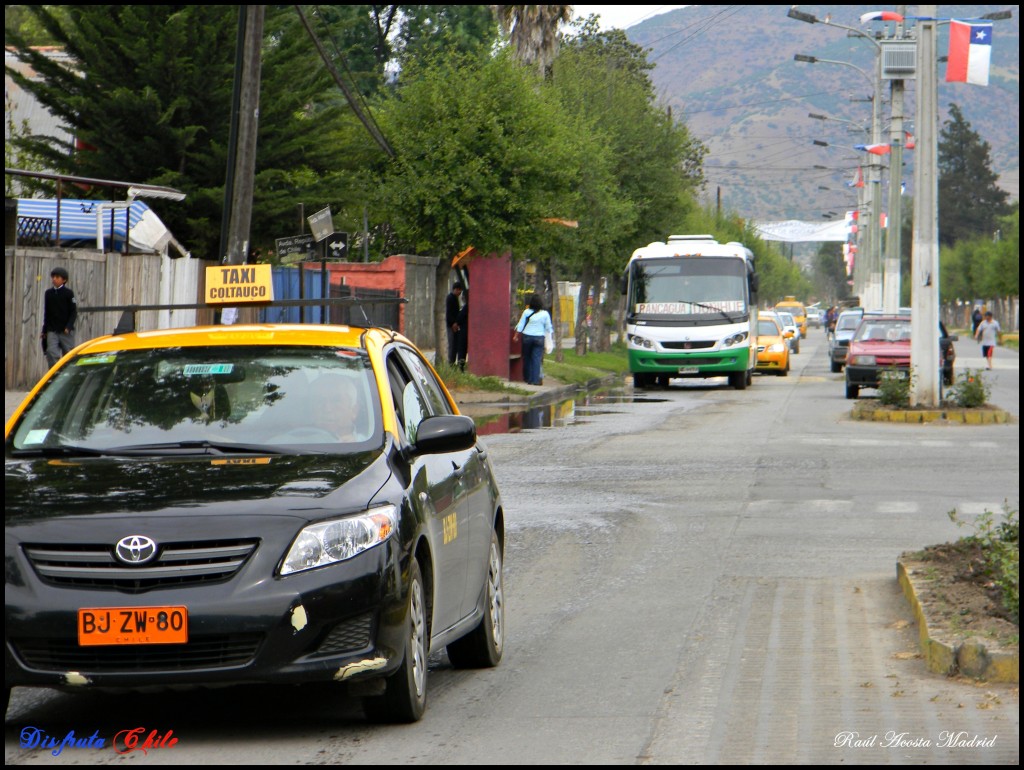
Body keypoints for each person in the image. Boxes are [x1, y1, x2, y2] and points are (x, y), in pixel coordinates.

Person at [513, 293, 553, 386]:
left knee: (526, 358)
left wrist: (516, 336)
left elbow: (521, 325)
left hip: (527, 337)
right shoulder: (545, 314)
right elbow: (548, 327)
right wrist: (549, 337)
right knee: (536, 359)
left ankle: (528, 378)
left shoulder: (527, 312)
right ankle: (535, 380)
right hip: (539, 338)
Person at [41, 266, 78, 368]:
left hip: (65, 331)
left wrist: (69, 327)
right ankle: (55, 374)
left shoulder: (68, 293)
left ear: (64, 280)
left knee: (69, 354)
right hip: (52, 330)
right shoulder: (48, 293)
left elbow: (73, 312)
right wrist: (44, 330)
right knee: (51, 352)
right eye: (53, 277)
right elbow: (47, 313)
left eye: (57, 277)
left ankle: (69, 375)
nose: (54, 279)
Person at [445, 281, 464, 364]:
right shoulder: (450, 298)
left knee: (454, 345)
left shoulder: (454, 298)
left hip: (454, 324)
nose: (460, 292)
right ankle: (450, 362)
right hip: (451, 325)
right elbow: (449, 313)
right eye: (459, 290)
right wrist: (453, 324)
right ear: (456, 289)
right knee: (452, 345)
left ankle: (452, 362)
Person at [454, 290, 469, 370]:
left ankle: (461, 367)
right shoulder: (466, 306)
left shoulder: (466, 307)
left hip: (464, 331)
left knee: (461, 350)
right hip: (465, 330)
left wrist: (456, 322)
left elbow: (460, 317)